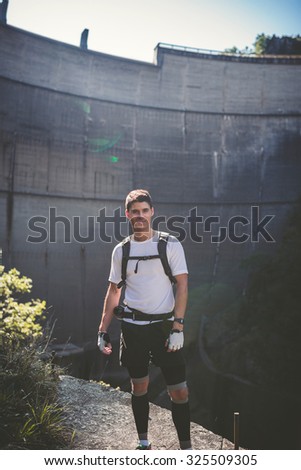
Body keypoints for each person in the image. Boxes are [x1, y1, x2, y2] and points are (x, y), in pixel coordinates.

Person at [97, 189, 191, 450]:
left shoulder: (169, 244)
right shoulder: (121, 250)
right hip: (133, 328)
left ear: (152, 212)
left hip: (164, 327)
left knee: (179, 391)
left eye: (144, 211)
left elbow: (182, 286)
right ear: (127, 214)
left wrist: (178, 326)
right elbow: (113, 291)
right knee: (139, 387)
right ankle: (143, 443)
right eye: (135, 211)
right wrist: (102, 329)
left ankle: (187, 449)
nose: (140, 216)